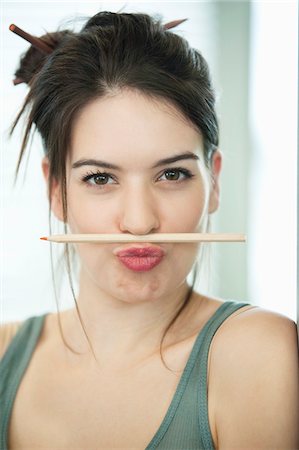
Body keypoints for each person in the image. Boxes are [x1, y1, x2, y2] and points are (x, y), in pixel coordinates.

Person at [1, 11, 298, 450]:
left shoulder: (257, 353)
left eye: (172, 175)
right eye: (100, 178)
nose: (140, 222)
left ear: (213, 181)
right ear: (56, 190)